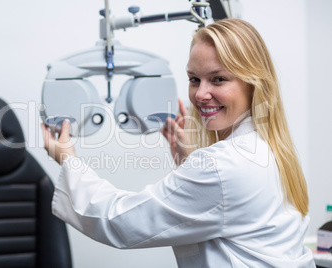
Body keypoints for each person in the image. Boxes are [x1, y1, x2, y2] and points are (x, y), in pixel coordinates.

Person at [41, 18, 315, 267]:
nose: (201, 94)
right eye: (194, 79)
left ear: (253, 83)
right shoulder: (270, 149)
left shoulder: (222, 166)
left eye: (218, 79)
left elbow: (119, 221)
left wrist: (68, 159)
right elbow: (228, 215)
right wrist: (189, 162)